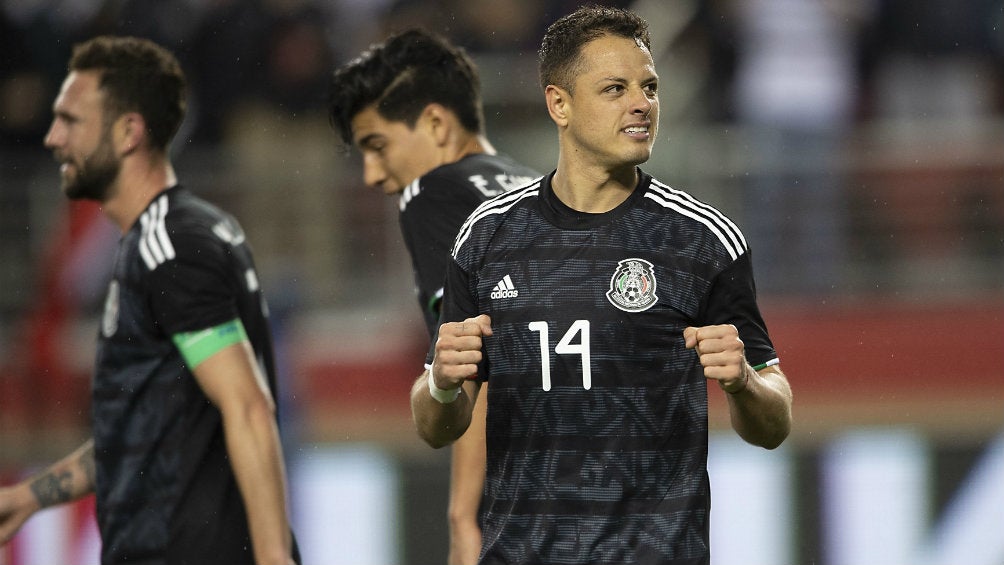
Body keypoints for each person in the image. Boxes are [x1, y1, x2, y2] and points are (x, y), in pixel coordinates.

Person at [410, 6, 794, 565]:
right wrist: (442, 383)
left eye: (650, 87)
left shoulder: (702, 240)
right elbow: (434, 426)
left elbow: (775, 422)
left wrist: (744, 385)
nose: (642, 104)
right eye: (615, 88)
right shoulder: (487, 237)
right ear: (559, 104)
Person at [0, 36, 299, 565]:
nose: (51, 138)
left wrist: (275, 558)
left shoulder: (172, 247)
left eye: (70, 120)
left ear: (128, 132)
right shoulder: (164, 240)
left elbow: (248, 406)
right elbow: (142, 431)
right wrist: (32, 495)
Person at [327, 28, 540, 565]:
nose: (373, 175)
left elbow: (476, 357)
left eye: (377, 146)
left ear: (437, 124)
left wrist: (466, 522)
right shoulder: (540, 186)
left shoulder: (433, 193)